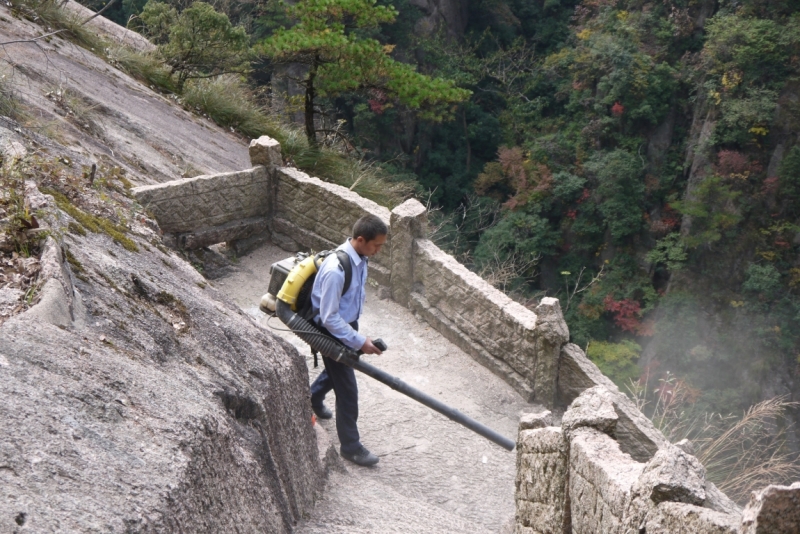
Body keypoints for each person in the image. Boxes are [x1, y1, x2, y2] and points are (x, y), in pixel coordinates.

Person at [309, 214, 388, 466]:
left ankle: (312, 397)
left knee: (339, 371)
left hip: (345, 327)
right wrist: (359, 340)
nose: (378, 251)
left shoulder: (360, 258)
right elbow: (329, 317)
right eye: (376, 245)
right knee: (348, 391)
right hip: (331, 332)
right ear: (361, 240)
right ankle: (350, 447)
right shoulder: (336, 270)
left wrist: (357, 335)